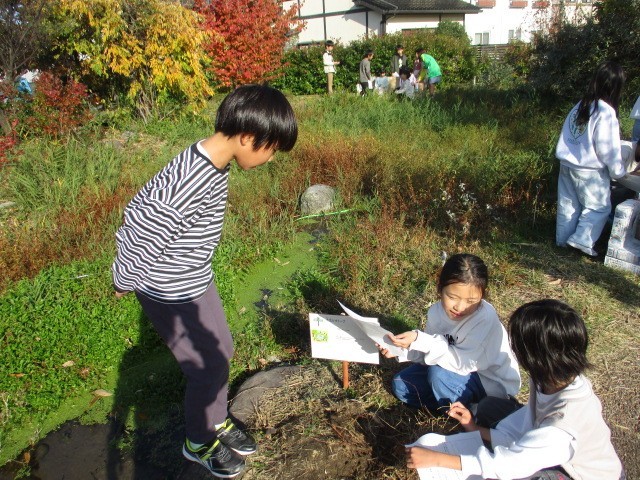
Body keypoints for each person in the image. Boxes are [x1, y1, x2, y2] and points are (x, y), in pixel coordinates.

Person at [112, 84, 298, 478]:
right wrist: (124, 278)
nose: (270, 158)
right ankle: (197, 441)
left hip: (196, 278)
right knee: (205, 368)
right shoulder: (190, 179)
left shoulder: (216, 161)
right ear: (247, 136)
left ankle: (215, 419)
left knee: (222, 350)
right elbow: (141, 225)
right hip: (169, 291)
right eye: (271, 149)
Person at [406, 299, 625, 480]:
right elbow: (526, 425)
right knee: (490, 407)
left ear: (535, 355)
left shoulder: (561, 429)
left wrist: (438, 459)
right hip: (554, 453)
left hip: (574, 474)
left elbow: (508, 466)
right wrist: (474, 428)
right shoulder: (552, 379)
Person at [379, 254, 521, 428]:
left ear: (482, 296)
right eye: (453, 297)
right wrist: (402, 349)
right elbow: (429, 351)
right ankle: (456, 406)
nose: (460, 307)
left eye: (471, 301)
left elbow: (462, 364)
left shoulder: (484, 319)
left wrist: (419, 339)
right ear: (440, 289)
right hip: (453, 371)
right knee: (401, 385)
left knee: (438, 375)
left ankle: (473, 416)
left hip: (488, 382)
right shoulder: (435, 312)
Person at [555, 61, 627, 257]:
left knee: (568, 206)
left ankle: (563, 241)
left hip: (567, 164)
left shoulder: (581, 105)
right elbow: (607, 148)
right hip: (589, 170)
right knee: (598, 208)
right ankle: (580, 240)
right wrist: (619, 172)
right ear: (615, 87)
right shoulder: (606, 112)